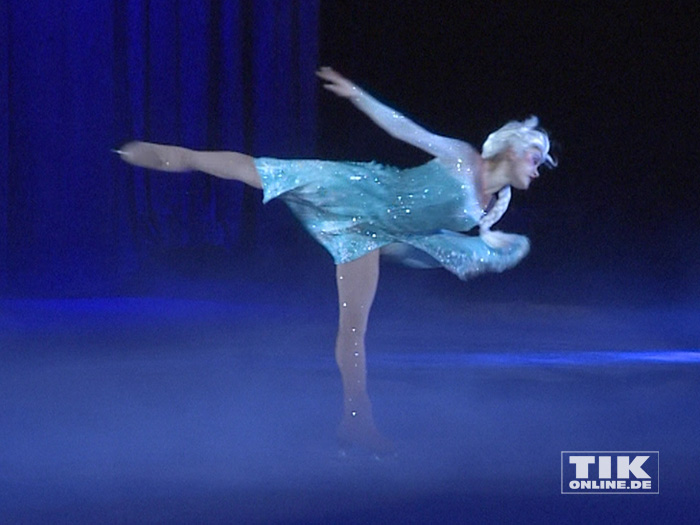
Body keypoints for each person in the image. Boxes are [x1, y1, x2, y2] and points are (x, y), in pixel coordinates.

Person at [116, 67, 556, 455]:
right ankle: (181, 157)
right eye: (535, 159)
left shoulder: (496, 202)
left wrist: (493, 243)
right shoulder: (463, 157)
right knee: (268, 171)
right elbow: (405, 129)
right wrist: (357, 95)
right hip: (364, 190)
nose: (537, 170)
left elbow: (483, 234)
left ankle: (355, 424)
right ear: (515, 149)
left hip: (378, 234)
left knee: (355, 326)